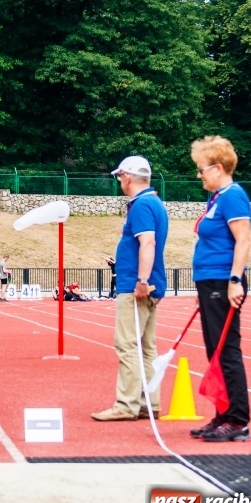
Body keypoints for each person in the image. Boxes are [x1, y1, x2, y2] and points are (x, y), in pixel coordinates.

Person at [92, 156, 168, 422]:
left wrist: (141, 280)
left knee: (127, 344)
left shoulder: (141, 206)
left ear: (128, 176)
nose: (119, 181)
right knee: (147, 347)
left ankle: (126, 404)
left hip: (136, 286)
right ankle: (150, 403)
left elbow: (148, 243)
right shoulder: (154, 202)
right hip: (150, 283)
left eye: (120, 176)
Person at [189, 136, 251, 442]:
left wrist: (235, 280)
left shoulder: (232, 196)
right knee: (214, 351)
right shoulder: (216, 198)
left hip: (222, 281)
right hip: (209, 281)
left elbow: (243, 239)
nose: (198, 175)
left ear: (217, 167)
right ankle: (223, 414)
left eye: (201, 169)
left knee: (226, 352)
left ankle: (238, 419)